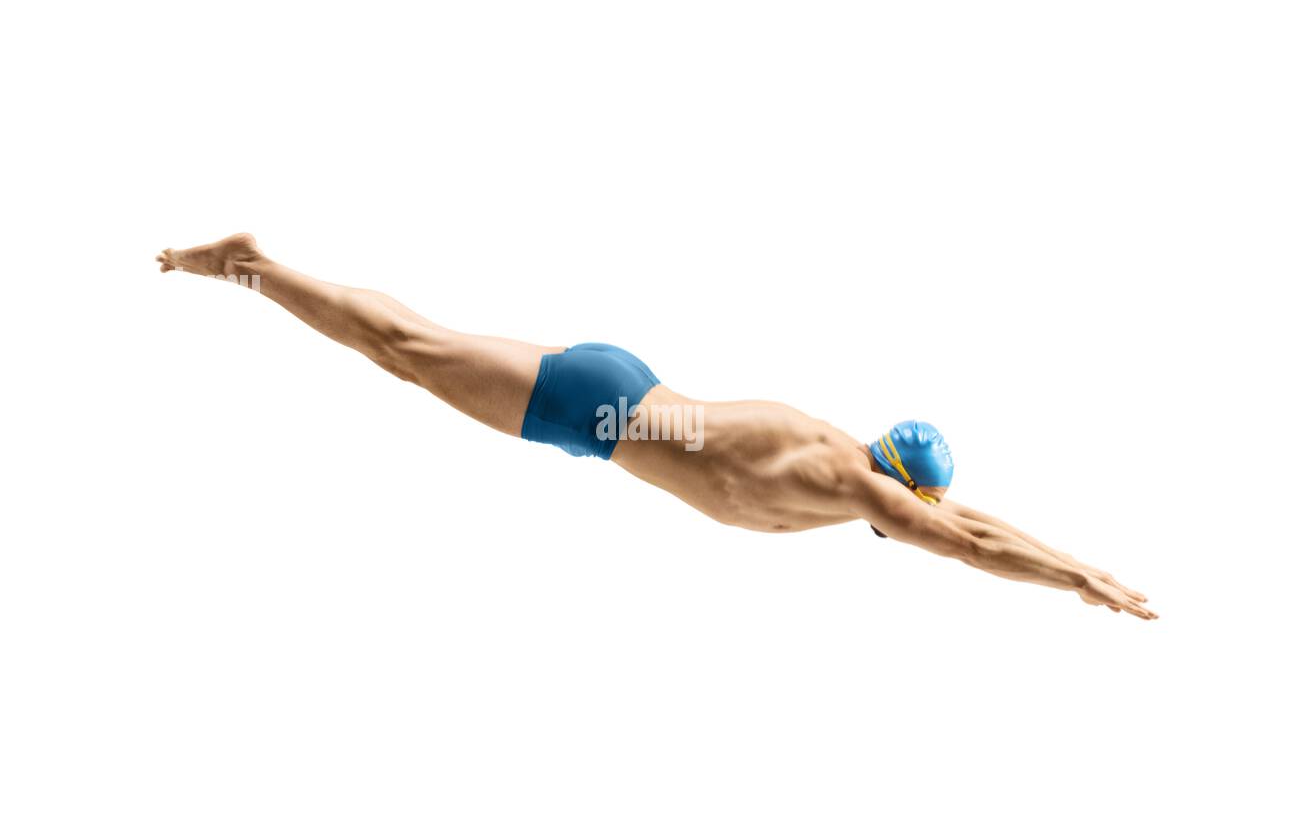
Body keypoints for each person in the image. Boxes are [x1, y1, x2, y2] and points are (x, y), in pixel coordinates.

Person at [157, 234, 1156, 620]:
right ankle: (251, 264)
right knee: (403, 347)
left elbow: (971, 517)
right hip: (601, 408)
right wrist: (1076, 579)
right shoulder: (853, 482)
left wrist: (1073, 560)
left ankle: (256, 269)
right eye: (911, 504)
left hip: (611, 411)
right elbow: (969, 541)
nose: (915, 519)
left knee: (409, 349)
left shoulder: (858, 475)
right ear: (897, 485)